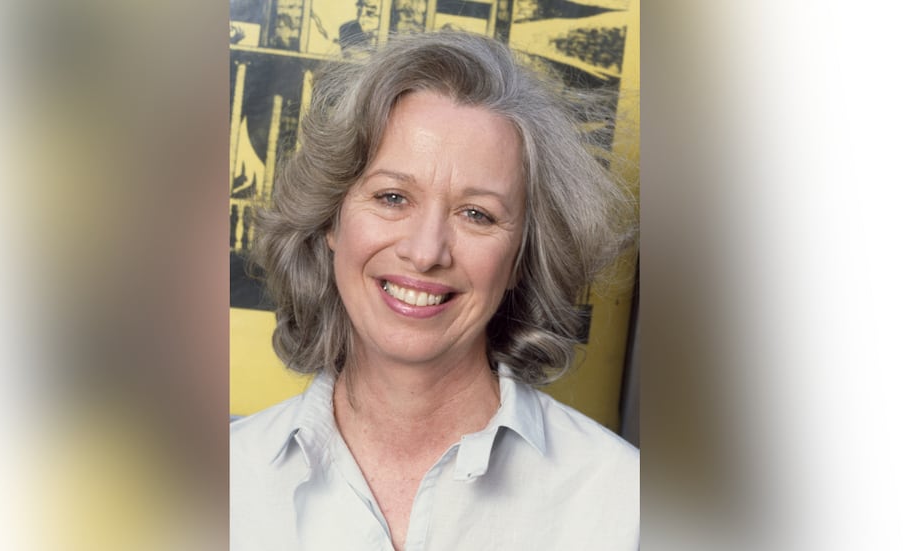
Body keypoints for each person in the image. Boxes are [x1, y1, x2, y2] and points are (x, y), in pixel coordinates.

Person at [231, 31, 638, 551]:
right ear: (331, 221)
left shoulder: (625, 504)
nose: (426, 252)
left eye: (477, 214)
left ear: (520, 258)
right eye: (393, 197)